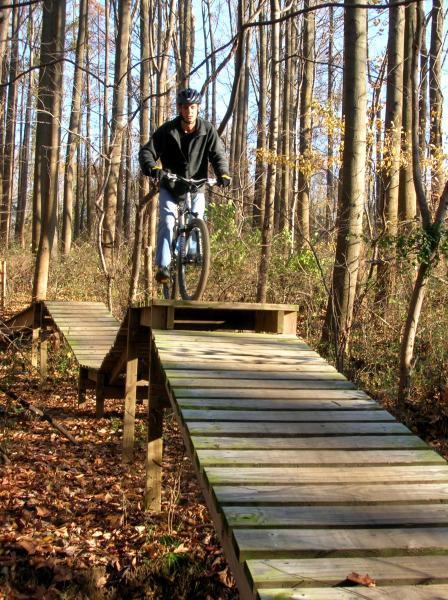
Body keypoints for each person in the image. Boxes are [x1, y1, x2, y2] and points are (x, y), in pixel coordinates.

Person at [139, 87, 231, 284]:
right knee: (169, 221)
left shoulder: (207, 130)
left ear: (198, 109)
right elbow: (147, 152)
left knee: (197, 220)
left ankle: (191, 255)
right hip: (171, 186)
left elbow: (218, 154)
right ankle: (163, 266)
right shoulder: (168, 130)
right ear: (179, 109)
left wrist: (223, 173)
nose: (189, 111)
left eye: (193, 107)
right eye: (186, 107)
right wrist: (153, 169)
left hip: (196, 185)